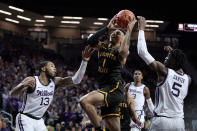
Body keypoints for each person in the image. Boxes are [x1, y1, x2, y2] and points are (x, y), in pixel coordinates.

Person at [10, 45, 94, 131]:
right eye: (51, 66)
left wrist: (84, 62)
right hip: (26, 118)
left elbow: (76, 80)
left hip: (39, 120)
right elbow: (13, 94)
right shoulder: (32, 80)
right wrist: (22, 86)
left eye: (54, 67)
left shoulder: (55, 82)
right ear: (43, 68)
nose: (55, 68)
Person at [80, 14, 137, 131]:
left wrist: (128, 31)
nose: (115, 33)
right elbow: (90, 42)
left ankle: (97, 129)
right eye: (114, 32)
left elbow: (124, 50)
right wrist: (107, 28)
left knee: (84, 101)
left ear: (122, 40)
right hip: (106, 89)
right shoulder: (103, 47)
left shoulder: (120, 52)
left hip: (114, 89)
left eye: (119, 33)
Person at [136, 16, 191, 131]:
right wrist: (174, 55)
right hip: (179, 123)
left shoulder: (163, 71)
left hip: (162, 121)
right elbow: (180, 69)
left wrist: (141, 29)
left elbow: (142, 51)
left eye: (168, 57)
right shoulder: (188, 79)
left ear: (174, 61)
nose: (165, 59)